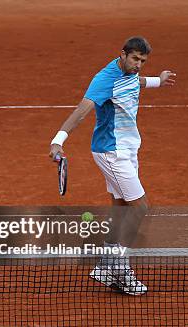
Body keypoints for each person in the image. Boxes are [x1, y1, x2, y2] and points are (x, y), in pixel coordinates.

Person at [48, 36, 176, 295]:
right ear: (122, 55)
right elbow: (81, 112)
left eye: (143, 61)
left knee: (119, 207)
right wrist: (57, 140)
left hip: (128, 149)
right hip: (111, 151)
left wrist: (158, 81)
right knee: (139, 208)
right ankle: (120, 268)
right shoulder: (104, 80)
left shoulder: (129, 72)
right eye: (135, 59)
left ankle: (106, 264)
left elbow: (135, 82)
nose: (138, 65)